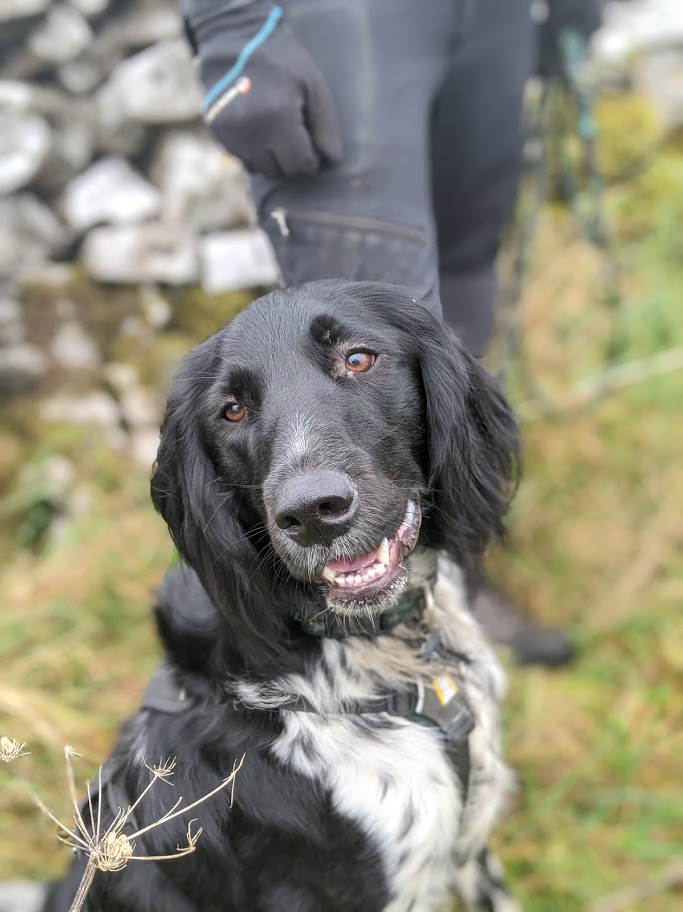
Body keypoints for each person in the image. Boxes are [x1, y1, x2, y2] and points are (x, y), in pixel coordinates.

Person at [180, 0, 602, 665]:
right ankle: (367, 673)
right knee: (358, 344)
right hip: (344, 21)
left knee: (463, 275)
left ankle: (456, 577)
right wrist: (231, 21)